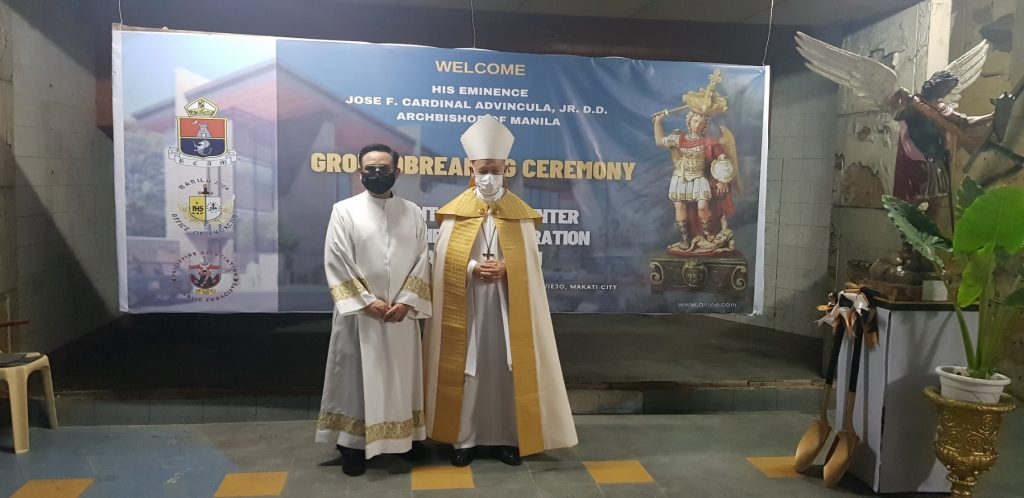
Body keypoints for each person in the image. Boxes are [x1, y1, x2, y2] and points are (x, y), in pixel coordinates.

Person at [423, 115, 577, 468]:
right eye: (484, 170)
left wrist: (508, 267)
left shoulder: (519, 214)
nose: (490, 176)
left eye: (496, 170)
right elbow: (441, 258)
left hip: (508, 303)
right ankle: (464, 438)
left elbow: (532, 260)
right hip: (470, 302)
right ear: (472, 169)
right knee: (468, 369)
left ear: (506, 169)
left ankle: (508, 438)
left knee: (509, 368)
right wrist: (473, 268)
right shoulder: (455, 213)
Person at [315, 143, 432, 476]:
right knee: (356, 381)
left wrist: (407, 301)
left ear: (398, 171)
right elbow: (336, 259)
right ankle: (352, 445)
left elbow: (423, 258)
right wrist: (368, 302)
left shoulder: (413, 212)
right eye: (370, 169)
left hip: (400, 316)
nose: (377, 173)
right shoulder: (344, 210)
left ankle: (403, 439)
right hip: (359, 317)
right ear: (360, 172)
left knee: (399, 379)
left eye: (384, 168)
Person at [653, 70, 739, 252]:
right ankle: (685, 240)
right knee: (680, 207)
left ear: (705, 125)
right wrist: (658, 122)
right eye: (695, 121)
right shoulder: (679, 139)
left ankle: (708, 237)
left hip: (699, 178)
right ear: (689, 121)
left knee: (702, 207)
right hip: (681, 177)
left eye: (701, 122)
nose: (698, 125)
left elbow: (723, 162)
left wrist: (723, 180)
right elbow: (660, 142)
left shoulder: (711, 143)